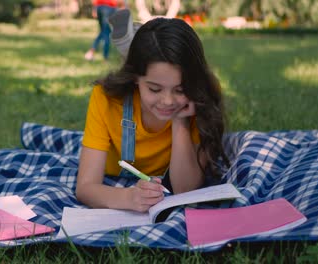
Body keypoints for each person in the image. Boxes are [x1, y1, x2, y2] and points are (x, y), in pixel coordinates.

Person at [76, 18, 229, 213]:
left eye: (180, 89)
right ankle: (129, 43)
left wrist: (180, 121)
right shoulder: (105, 99)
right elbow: (85, 187)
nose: (168, 101)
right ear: (135, 79)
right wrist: (128, 198)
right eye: (155, 89)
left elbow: (185, 190)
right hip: (115, 179)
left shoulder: (197, 102)